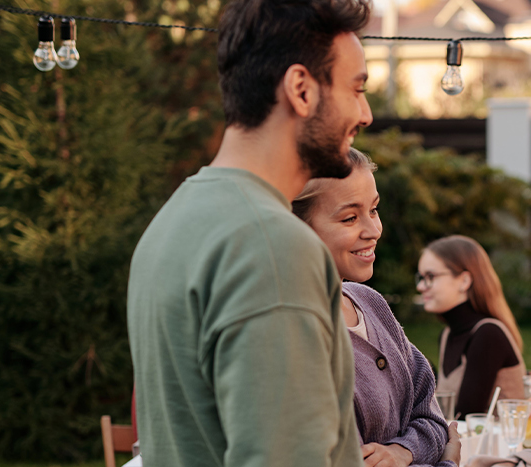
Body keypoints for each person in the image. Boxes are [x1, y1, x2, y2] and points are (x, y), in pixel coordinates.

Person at [126, 1, 373, 466]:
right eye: (356, 89)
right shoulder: (273, 246)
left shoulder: (173, 221)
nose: (366, 113)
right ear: (301, 89)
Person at [292, 148, 461, 467]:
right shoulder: (297, 334)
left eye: (374, 209)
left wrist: (404, 451)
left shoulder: (371, 303)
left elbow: (430, 414)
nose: (374, 230)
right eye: (350, 218)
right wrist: (447, 462)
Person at [417, 235, 526, 416]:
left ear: (464, 281)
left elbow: (465, 416)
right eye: (420, 277)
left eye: (430, 276)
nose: (421, 286)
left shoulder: (488, 334)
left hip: (501, 443)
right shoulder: (447, 335)